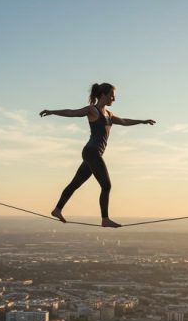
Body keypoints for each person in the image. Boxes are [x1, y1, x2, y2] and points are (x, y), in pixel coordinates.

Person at [40, 83, 155, 228]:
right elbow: (72, 112)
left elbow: (125, 121)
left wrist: (142, 121)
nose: (114, 98)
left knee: (75, 183)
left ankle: (57, 210)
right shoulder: (93, 110)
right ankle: (105, 219)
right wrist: (52, 111)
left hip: (92, 153)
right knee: (106, 185)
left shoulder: (109, 115)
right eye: (112, 95)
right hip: (91, 152)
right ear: (103, 95)